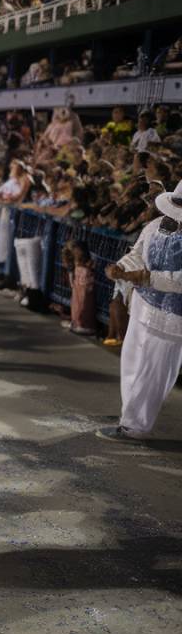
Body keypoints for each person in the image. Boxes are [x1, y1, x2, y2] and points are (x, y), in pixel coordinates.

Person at [100, 179, 182, 443]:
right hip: (142, 308)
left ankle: (137, 426)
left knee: (155, 373)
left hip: (172, 320)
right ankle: (129, 417)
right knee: (132, 364)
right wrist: (121, 269)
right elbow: (137, 253)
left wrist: (146, 278)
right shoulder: (155, 225)